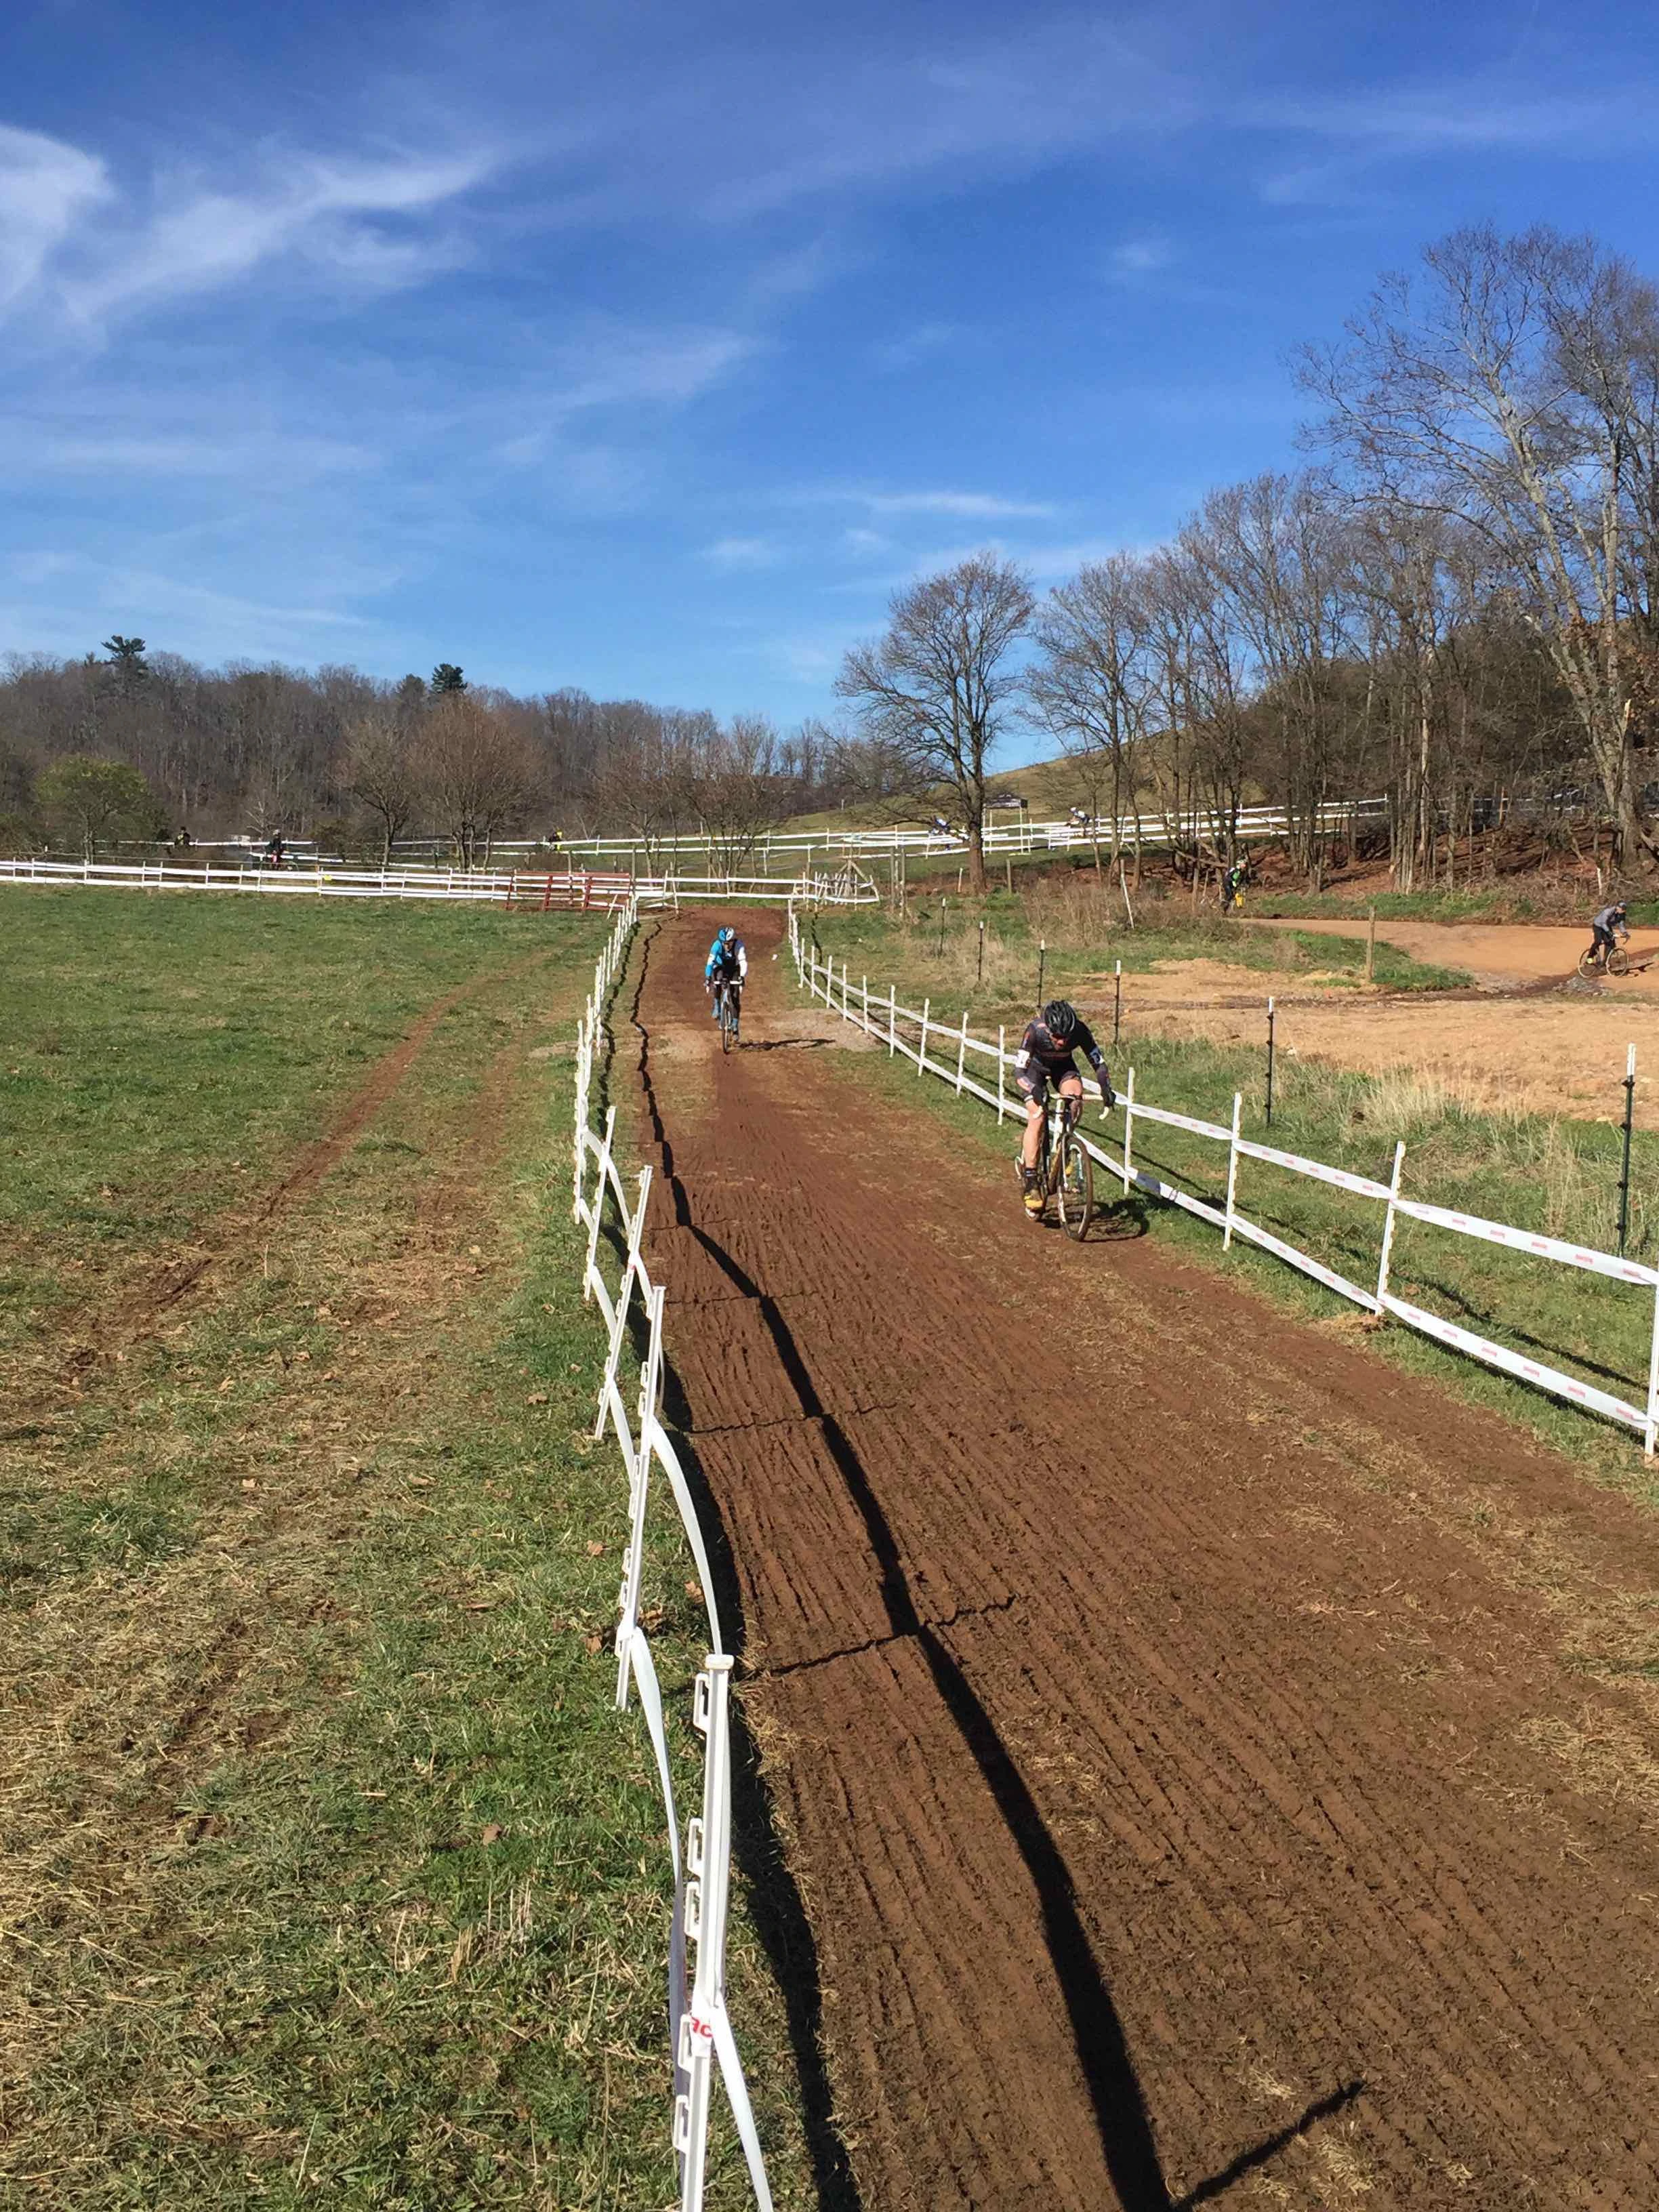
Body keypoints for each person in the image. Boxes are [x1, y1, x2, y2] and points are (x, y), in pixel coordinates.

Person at [1014, 1000, 1115, 1216]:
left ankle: (1064, 1147)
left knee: (1075, 1099)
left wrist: (1106, 1087)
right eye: (1056, 1037)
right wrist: (1033, 1090)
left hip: (1064, 1068)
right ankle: (1031, 1180)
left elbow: (1098, 1062)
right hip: (1034, 1072)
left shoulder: (1079, 1031)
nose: (1061, 1042)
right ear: (1048, 1030)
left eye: (1066, 1038)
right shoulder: (1034, 1031)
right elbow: (1019, 1072)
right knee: (1037, 1117)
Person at [704, 925, 747, 1022]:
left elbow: (743, 962)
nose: (727, 946)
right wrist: (708, 977)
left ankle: (735, 1024)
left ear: (733, 941)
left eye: (729, 943)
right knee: (718, 980)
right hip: (720, 967)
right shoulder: (717, 945)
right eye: (725, 943)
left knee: (735, 996)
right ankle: (717, 1005)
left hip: (734, 968)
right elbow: (710, 962)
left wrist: (742, 977)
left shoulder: (739, 945)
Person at [1590, 899, 1630, 967]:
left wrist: (1625, 933)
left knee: (1610, 942)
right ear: (1617, 907)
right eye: (1622, 909)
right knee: (1598, 941)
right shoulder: (1608, 911)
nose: (1623, 911)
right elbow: (1603, 923)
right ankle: (1590, 957)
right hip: (1598, 926)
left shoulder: (1622, 915)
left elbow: (1621, 925)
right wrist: (1609, 932)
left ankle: (1604, 962)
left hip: (1607, 926)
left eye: (1624, 909)